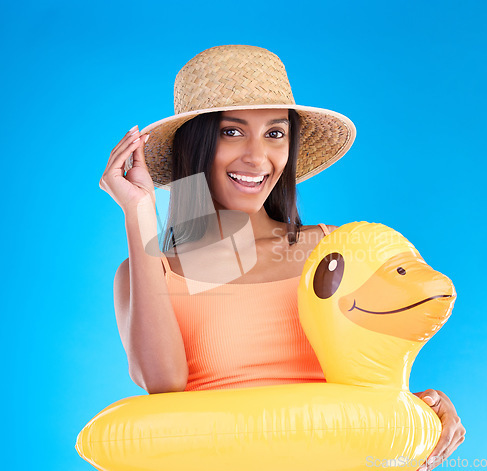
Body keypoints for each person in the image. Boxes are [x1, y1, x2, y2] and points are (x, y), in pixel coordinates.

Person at [98, 45, 465, 469]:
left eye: (275, 133)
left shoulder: (334, 251)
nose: (257, 158)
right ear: (195, 145)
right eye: (231, 132)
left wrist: (426, 407)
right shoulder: (149, 273)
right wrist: (140, 214)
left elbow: (372, 372)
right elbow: (162, 382)